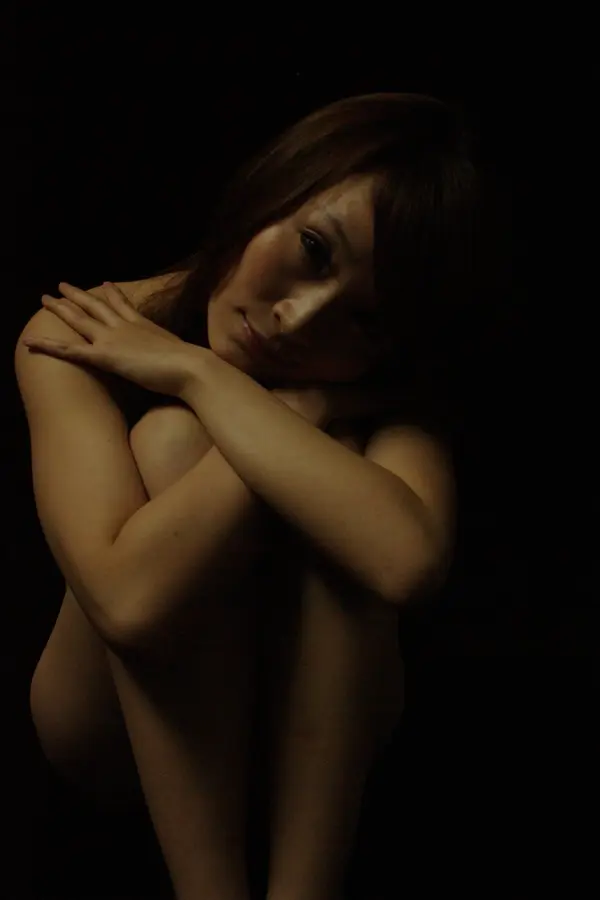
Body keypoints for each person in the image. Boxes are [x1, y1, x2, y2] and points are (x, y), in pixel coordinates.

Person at [17, 93, 495, 900]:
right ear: (277, 186)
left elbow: (404, 559)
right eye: (314, 249)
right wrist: (281, 410)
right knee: (173, 443)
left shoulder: (389, 393)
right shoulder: (78, 330)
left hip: (305, 743)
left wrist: (202, 376)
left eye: (364, 321)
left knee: (351, 507)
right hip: (109, 738)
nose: (297, 319)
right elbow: (130, 603)